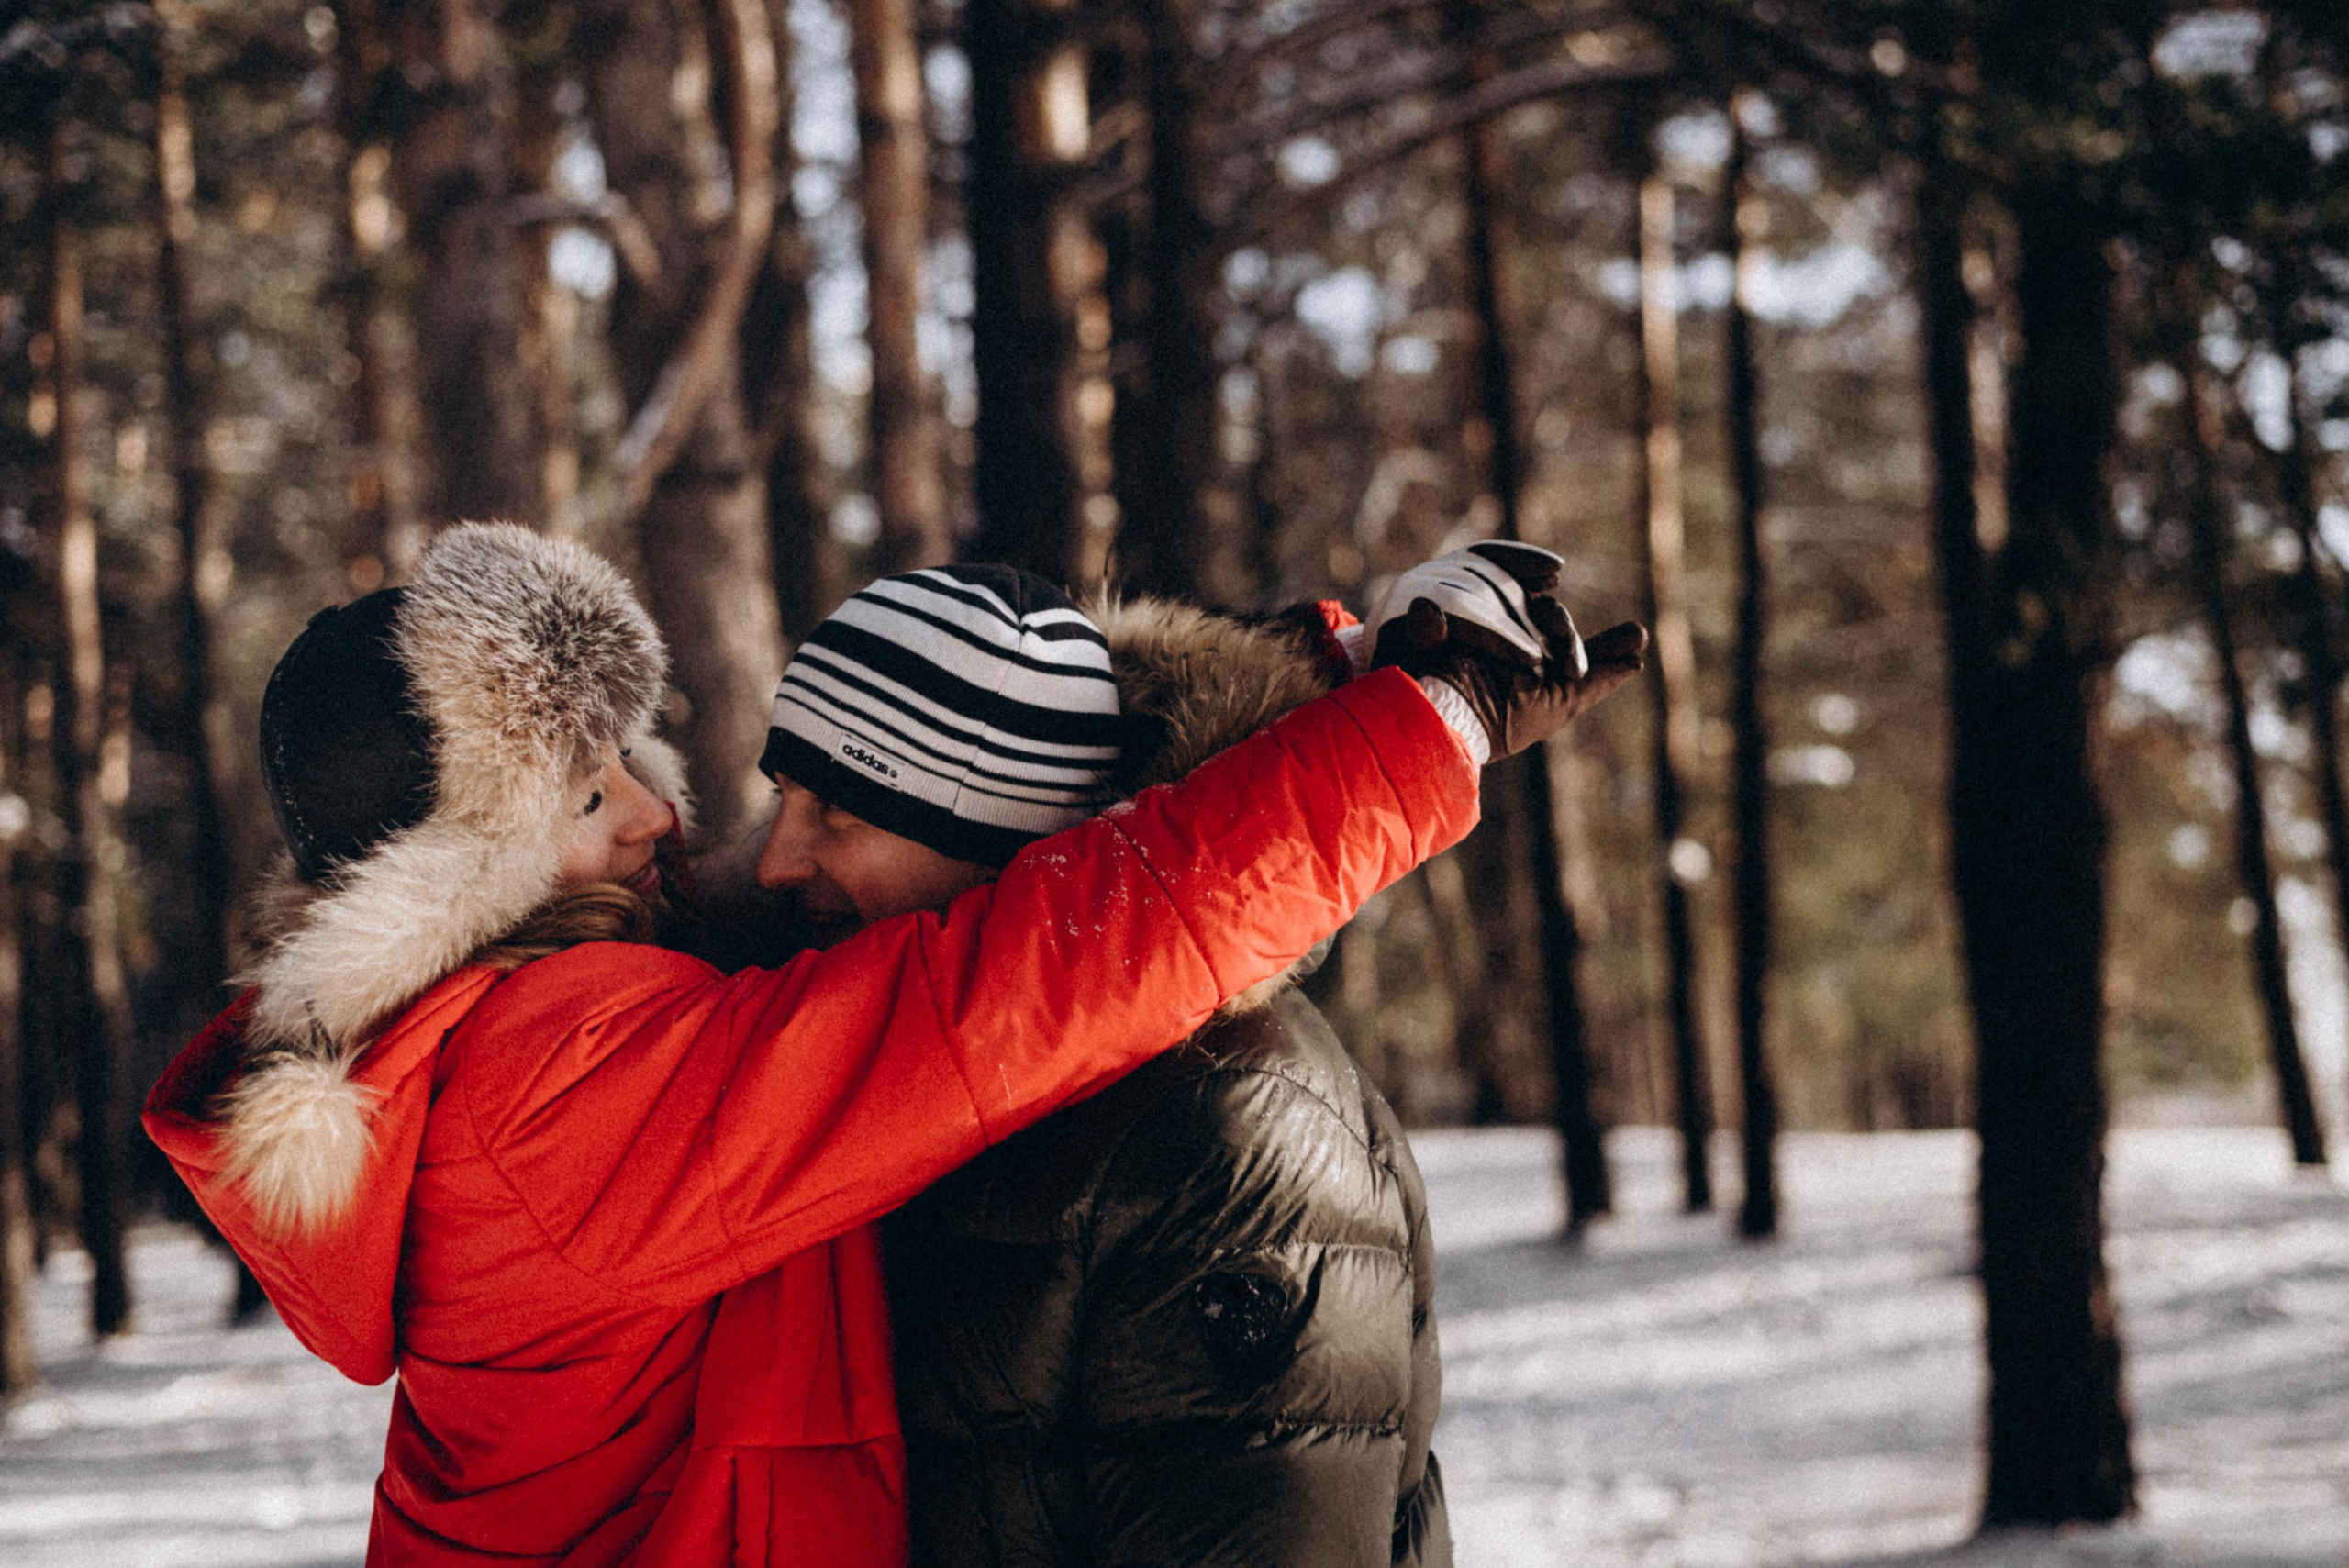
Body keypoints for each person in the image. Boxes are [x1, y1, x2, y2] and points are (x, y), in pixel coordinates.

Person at [144, 523, 1640, 1568]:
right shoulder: (557, 1091)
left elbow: (1007, 800)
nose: (671, 816)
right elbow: (1024, 975)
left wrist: (1300, 686)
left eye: (635, 764)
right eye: (593, 801)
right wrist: (1419, 721)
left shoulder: (495, 1043)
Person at [763, 546, 1634, 1568]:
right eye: (778, 795)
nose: (777, 859)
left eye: (838, 812)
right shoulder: (870, 1046)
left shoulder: (1224, 1133)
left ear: (998, 830)